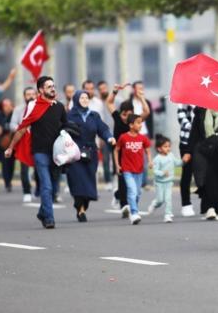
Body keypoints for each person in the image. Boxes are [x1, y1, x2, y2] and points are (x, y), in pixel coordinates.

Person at [5, 76, 67, 229]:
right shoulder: (33, 105)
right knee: (46, 186)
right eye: (48, 86)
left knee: (53, 186)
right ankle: (49, 219)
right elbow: (22, 128)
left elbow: (66, 128)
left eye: (53, 86)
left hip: (56, 153)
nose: (53, 88)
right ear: (41, 90)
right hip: (39, 151)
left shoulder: (59, 107)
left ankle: (42, 212)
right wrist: (11, 147)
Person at [65, 90, 115, 222]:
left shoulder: (94, 116)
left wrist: (109, 138)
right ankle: (80, 209)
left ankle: (83, 205)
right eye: (81, 98)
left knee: (88, 182)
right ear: (76, 100)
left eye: (86, 98)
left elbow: (103, 129)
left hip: (90, 153)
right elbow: (62, 132)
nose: (84, 100)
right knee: (77, 181)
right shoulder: (69, 115)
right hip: (74, 154)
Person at [189, 108, 218, 220]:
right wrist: (188, 152)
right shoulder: (200, 112)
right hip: (203, 151)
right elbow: (194, 133)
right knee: (206, 179)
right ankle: (209, 207)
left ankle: (215, 206)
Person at [114, 114, 152, 225]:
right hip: (127, 170)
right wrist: (117, 165)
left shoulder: (143, 138)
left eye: (141, 122)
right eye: (138, 123)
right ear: (131, 125)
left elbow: (148, 150)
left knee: (138, 193)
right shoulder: (123, 137)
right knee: (132, 190)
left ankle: (132, 207)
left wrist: (150, 161)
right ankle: (134, 213)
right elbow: (116, 150)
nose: (141, 125)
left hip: (139, 170)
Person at [8, 87, 37, 203]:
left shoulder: (40, 108)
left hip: (37, 140)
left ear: (36, 95)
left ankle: (39, 189)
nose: (30, 96)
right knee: (24, 168)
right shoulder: (18, 109)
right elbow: (12, 124)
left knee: (39, 167)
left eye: (32, 94)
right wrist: (21, 129)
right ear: (24, 96)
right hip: (23, 141)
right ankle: (27, 191)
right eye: (28, 94)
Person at [108, 97, 135, 214]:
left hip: (131, 153)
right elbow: (109, 102)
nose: (126, 117)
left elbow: (147, 112)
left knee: (130, 179)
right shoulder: (117, 118)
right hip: (118, 153)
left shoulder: (134, 121)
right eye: (124, 114)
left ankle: (117, 194)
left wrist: (141, 98)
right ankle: (124, 205)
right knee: (122, 177)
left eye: (129, 114)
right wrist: (114, 92)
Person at [147, 134, 182, 223]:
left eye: (169, 146)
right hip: (159, 183)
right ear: (159, 149)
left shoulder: (171, 155)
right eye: (165, 146)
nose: (168, 148)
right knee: (160, 200)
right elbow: (155, 171)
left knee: (168, 198)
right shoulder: (157, 159)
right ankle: (154, 204)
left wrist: (184, 161)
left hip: (169, 182)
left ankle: (168, 214)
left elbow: (177, 163)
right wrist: (162, 173)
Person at [176, 104, 197, 217]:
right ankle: (186, 204)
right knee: (187, 173)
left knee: (206, 171)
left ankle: (209, 204)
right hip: (187, 141)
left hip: (203, 141)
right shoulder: (185, 96)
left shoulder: (207, 92)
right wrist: (193, 125)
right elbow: (181, 116)